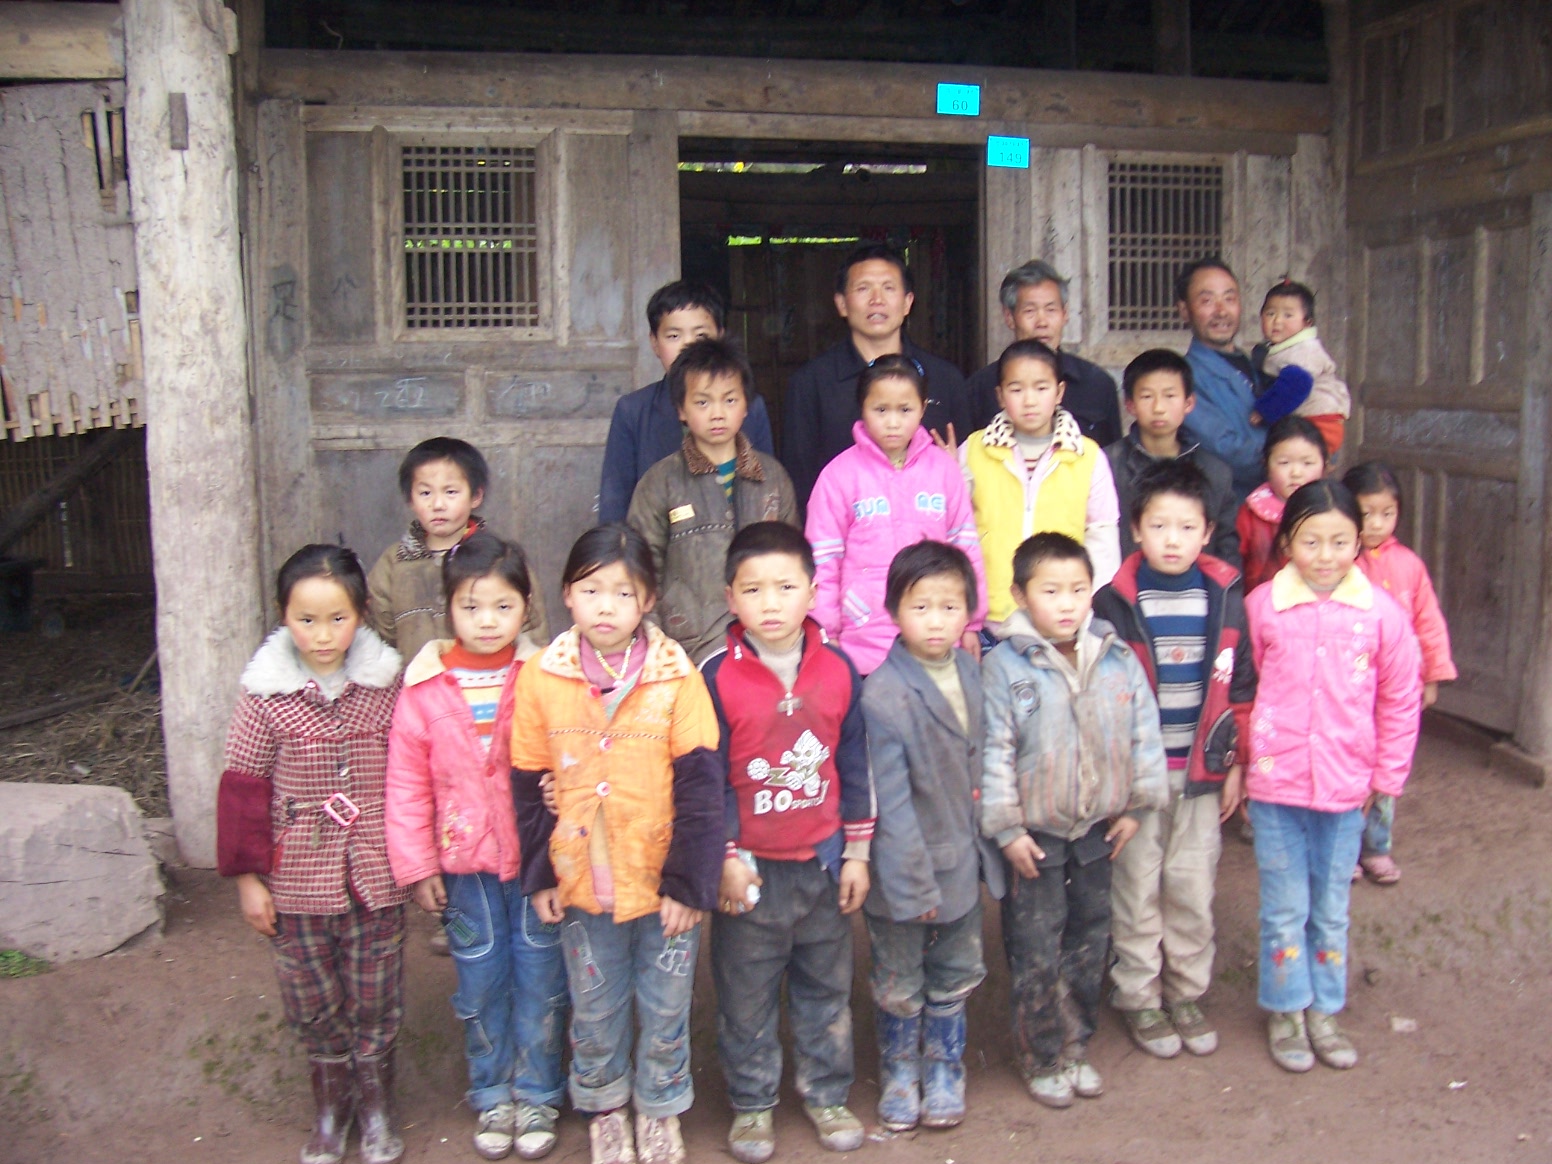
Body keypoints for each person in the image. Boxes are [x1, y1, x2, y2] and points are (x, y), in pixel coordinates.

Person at [509, 525, 723, 1164]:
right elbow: (526, 781)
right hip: (582, 881)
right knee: (595, 1007)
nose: (606, 606)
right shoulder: (542, 677)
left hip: (662, 883)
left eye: (623, 593)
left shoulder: (676, 676)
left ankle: (659, 1107)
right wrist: (540, 875)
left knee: (665, 1005)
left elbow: (702, 784)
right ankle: (604, 1107)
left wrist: (689, 884)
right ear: (566, 595)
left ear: (648, 600)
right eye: (591, 590)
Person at [216, 544, 409, 1164]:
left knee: (376, 994)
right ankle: (331, 1108)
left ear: (362, 614)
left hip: (374, 876)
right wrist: (249, 881)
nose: (322, 635)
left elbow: (412, 776)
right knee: (311, 998)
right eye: (306, 620)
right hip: (295, 880)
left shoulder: (386, 686)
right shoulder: (265, 697)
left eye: (337, 619)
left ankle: (376, 1107)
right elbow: (243, 789)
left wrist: (417, 860)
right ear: (283, 615)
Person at [384, 533, 568, 1161]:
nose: (487, 621)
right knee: (480, 981)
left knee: (541, 978)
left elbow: (572, 754)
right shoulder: (424, 689)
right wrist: (417, 867)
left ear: (526, 609)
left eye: (502, 606)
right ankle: (492, 1093)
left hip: (538, 864)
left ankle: (538, 1093)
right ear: (448, 609)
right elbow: (406, 786)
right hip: (464, 871)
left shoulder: (546, 678)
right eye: (470, 606)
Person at [701, 521, 874, 1163]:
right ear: (730, 598)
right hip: (749, 872)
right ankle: (752, 1105)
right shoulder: (714, 676)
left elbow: (854, 764)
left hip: (823, 864)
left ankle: (827, 1095)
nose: (770, 603)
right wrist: (724, 857)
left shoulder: (839, 669)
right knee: (745, 996)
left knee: (826, 989)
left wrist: (857, 854)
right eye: (753, 590)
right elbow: (708, 779)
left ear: (813, 592)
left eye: (785, 587)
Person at [980, 533, 1168, 1109]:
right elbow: (993, 752)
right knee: (1036, 946)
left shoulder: (1115, 657)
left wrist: (1137, 805)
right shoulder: (1003, 666)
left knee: (1090, 939)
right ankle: (1040, 1054)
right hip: (1034, 839)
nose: (1067, 604)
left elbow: (1144, 732)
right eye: (1051, 591)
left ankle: (1076, 1043)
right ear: (1020, 595)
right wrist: (1007, 829)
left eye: (1078, 590)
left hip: (1097, 829)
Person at [1245, 480, 1422, 1074]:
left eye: (1340, 541)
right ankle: (1286, 1008)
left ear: (1360, 542)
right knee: (1283, 906)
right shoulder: (1263, 607)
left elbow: (1400, 699)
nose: (1325, 555)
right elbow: (1247, 687)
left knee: (1330, 907)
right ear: (1287, 543)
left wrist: (1386, 777)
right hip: (1276, 788)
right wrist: (1245, 762)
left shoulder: (1382, 615)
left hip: (1347, 789)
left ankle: (1324, 1008)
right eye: (1311, 541)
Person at [1092, 461, 1257, 1062]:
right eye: (1159, 526)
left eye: (1186, 528)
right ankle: (1139, 995)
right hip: (1139, 779)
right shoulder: (1113, 601)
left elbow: (1241, 686)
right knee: (1135, 887)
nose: (1172, 539)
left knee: (1190, 884)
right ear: (1136, 529)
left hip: (1202, 772)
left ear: (1207, 532)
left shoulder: (1224, 595)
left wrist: (1236, 764)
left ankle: (1186, 992)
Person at [368, 436, 545, 957]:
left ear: (476, 496)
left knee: (503, 802)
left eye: (451, 491)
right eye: (425, 492)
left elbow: (534, 628)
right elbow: (380, 630)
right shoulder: (393, 565)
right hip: (432, 709)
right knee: (442, 805)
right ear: (410, 499)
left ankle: (519, 910)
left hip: (496, 705)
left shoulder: (500, 559)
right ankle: (458, 913)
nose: (438, 504)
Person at [860, 541, 1002, 1134]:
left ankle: (945, 1067)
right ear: (894, 610)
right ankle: (899, 1071)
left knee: (955, 971)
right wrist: (913, 884)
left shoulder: (970, 670)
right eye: (921, 607)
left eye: (950, 607)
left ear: (969, 610)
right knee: (899, 979)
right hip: (906, 874)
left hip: (961, 862)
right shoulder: (883, 694)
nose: (936, 621)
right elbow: (890, 806)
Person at [805, 354, 986, 674]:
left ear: (923, 408)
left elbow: (966, 547)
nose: (892, 422)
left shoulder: (944, 470)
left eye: (905, 410)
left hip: (937, 634)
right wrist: (826, 631)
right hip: (862, 642)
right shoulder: (838, 476)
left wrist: (971, 622)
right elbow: (823, 559)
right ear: (862, 408)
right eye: (881, 410)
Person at [627, 337, 799, 663]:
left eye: (730, 400)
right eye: (703, 402)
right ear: (681, 409)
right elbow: (642, 570)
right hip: (687, 646)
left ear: (746, 405)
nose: (718, 414)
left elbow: (793, 563)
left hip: (766, 643)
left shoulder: (773, 478)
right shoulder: (660, 482)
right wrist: (656, 646)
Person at [781, 242, 970, 509]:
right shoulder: (809, 384)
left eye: (888, 288)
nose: (877, 299)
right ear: (842, 304)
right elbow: (800, 483)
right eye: (863, 288)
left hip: (929, 531)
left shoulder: (945, 379)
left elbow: (967, 474)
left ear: (908, 302)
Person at [1343, 461, 1457, 886]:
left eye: (1386, 513)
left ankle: (1377, 846)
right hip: (1350, 686)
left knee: (1388, 765)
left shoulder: (1409, 565)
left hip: (1397, 686)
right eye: (1366, 513)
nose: (1376, 523)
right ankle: (1345, 848)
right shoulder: (1339, 561)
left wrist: (1431, 676)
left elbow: (1428, 622)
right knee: (1348, 764)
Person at [961, 339, 1121, 635]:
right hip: (990, 619)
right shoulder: (973, 451)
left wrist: (1084, 605)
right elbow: (957, 530)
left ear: (1059, 392)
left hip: (1063, 619)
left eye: (1041, 388)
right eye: (1016, 389)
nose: (1029, 400)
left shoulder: (1086, 455)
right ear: (1000, 396)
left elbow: (1102, 535)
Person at [599, 280, 775, 524]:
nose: (687, 346)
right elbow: (615, 503)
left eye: (701, 335)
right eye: (673, 336)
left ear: (720, 336)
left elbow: (767, 489)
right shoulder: (633, 411)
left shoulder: (750, 407)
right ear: (654, 343)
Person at [1104, 348, 1240, 566]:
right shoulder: (1106, 466)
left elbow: (1226, 551)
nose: (1158, 408)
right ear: (1130, 405)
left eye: (1169, 396)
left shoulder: (1215, 473)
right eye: (1147, 396)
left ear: (1189, 403)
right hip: (1123, 584)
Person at [965, 260, 1122, 445]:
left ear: (1065, 314)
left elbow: (1112, 455)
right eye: (1030, 311)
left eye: (1051, 310)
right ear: (1009, 317)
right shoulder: (980, 388)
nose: (1042, 322)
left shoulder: (1097, 384)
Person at [1176, 259, 1273, 500]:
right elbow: (1226, 450)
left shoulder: (1260, 363)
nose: (1221, 311)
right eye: (1207, 301)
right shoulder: (1183, 378)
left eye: (1229, 299)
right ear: (1184, 310)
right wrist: (1295, 460)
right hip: (1232, 510)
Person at [1251, 280, 1350, 455]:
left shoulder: (1302, 350)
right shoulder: (1283, 348)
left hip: (1319, 423)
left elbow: (1297, 384)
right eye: (1270, 313)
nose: (1277, 321)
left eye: (1288, 315)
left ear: (1307, 323)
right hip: (1320, 423)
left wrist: (1264, 411)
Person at [1237, 417, 1328, 594]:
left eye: (1307, 463)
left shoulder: (1333, 512)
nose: (1296, 473)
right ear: (1266, 464)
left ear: (1325, 464)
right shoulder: (1250, 514)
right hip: (1261, 603)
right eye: (1284, 463)